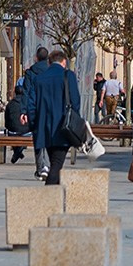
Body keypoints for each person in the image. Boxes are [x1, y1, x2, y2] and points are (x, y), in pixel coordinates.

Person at [20, 46, 81, 185]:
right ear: (64, 62)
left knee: (55, 161)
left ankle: (55, 194)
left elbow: (32, 105)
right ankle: (48, 193)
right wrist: (75, 120)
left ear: (49, 62)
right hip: (63, 126)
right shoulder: (68, 76)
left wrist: (34, 125)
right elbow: (75, 102)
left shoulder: (39, 79)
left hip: (44, 127)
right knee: (57, 163)